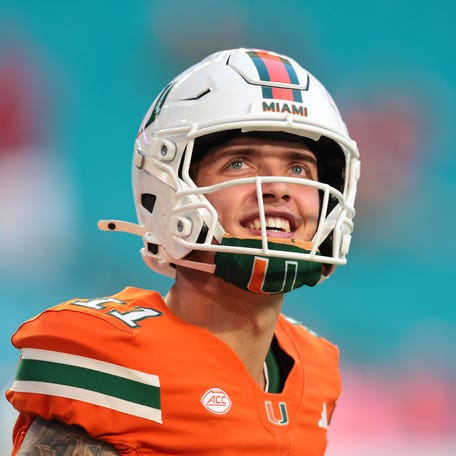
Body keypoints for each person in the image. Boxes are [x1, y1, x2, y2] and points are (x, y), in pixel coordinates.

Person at [6, 48, 360, 455]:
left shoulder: (316, 370)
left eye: (298, 168)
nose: (278, 187)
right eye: (240, 163)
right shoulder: (112, 355)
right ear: (171, 189)